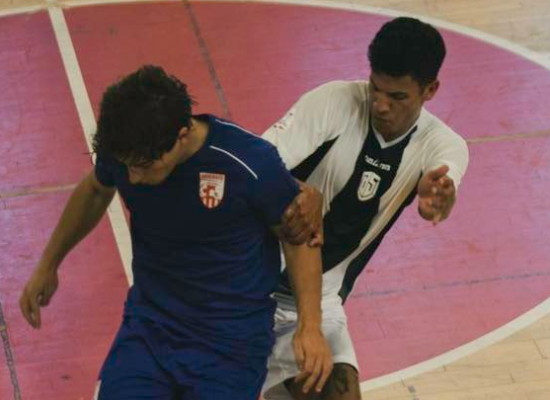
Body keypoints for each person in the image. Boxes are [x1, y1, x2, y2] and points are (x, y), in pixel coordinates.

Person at [19, 65, 332, 400]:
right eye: (126, 166)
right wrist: (48, 264)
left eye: (144, 166)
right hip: (151, 327)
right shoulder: (128, 147)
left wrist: (310, 325)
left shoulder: (248, 161)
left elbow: (300, 239)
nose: (132, 178)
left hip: (231, 344)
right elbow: (97, 189)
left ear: (182, 135)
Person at [261, 17, 470, 400]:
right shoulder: (332, 102)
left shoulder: (441, 144)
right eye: (375, 88)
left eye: (398, 97)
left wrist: (440, 196)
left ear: (430, 90)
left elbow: (445, 180)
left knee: (340, 394)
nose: (380, 105)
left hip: (317, 299)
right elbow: (255, 167)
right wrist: (299, 190)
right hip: (242, 283)